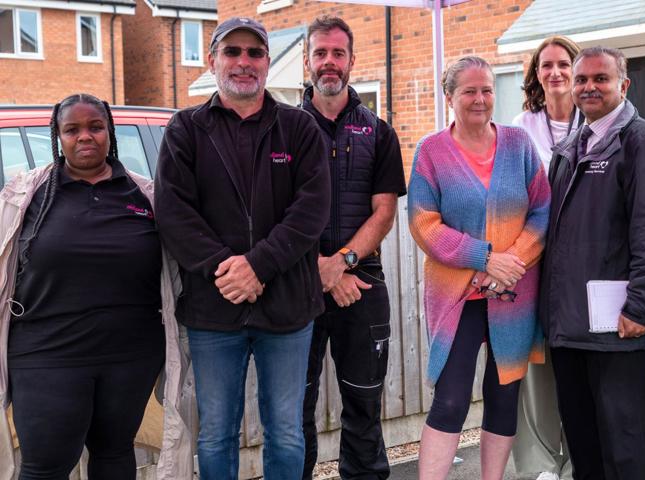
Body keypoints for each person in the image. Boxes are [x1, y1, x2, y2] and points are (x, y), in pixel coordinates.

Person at [154, 17, 330, 480]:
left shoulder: (300, 128)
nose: (243, 62)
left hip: (289, 309)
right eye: (232, 52)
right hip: (214, 310)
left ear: (268, 63)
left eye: (255, 53)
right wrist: (227, 271)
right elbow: (174, 213)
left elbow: (311, 210)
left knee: (287, 433)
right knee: (215, 434)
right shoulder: (186, 129)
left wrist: (259, 266)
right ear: (213, 61)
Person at [0, 93, 189, 479]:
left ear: (109, 132)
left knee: (115, 455)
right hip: (46, 354)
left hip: (129, 355)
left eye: (95, 127)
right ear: (58, 136)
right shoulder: (26, 196)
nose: (85, 136)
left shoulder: (145, 195)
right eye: (72, 129)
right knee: (44, 466)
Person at [539, 46, 645, 480]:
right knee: (586, 449)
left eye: (600, 78)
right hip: (570, 327)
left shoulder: (643, 140)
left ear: (624, 84)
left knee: (628, 450)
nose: (589, 87)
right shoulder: (569, 148)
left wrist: (641, 307)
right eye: (581, 79)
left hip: (618, 327)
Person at [408, 55, 551, 480]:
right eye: (469, 90)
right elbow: (422, 222)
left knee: (504, 394)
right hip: (458, 295)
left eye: (486, 89)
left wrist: (513, 262)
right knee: (450, 399)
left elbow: (542, 211)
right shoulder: (432, 151)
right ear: (449, 95)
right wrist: (484, 258)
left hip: (514, 294)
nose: (479, 98)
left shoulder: (518, 144)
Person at [300, 16, 406, 480]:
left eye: (337, 53)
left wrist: (341, 265)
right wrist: (318, 270)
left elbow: (383, 212)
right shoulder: (282, 128)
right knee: (292, 409)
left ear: (351, 61)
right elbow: (271, 215)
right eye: (320, 53)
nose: (329, 62)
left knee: (364, 403)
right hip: (296, 284)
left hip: (361, 282)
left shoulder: (378, 132)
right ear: (306, 61)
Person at [511, 35, 581, 480]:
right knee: (534, 366)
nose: (554, 72)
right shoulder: (520, 128)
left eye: (563, 64)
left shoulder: (596, 123)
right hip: (533, 262)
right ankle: (539, 466)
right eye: (546, 65)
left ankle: (580, 460)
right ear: (536, 74)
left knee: (578, 365)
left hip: (581, 265)